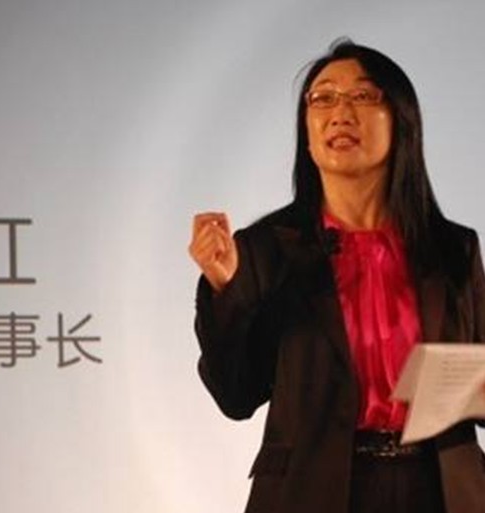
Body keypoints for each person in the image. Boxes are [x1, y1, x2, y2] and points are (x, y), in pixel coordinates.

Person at [189, 40, 485, 513]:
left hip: (443, 489)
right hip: (313, 490)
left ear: (401, 120)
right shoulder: (265, 248)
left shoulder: (453, 248)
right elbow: (236, 394)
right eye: (322, 98)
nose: (340, 113)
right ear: (306, 131)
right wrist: (227, 290)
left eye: (363, 96)